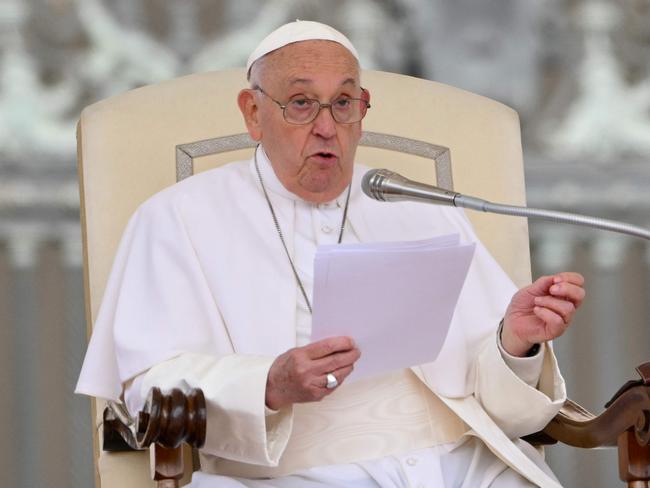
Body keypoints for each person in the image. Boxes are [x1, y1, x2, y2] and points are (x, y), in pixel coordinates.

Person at [76, 21, 585, 487]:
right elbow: (150, 389)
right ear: (253, 114)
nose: (327, 127)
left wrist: (514, 343)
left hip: (459, 465)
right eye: (301, 103)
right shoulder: (175, 218)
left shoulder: (416, 203)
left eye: (343, 103)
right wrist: (268, 383)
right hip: (291, 476)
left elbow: (499, 404)